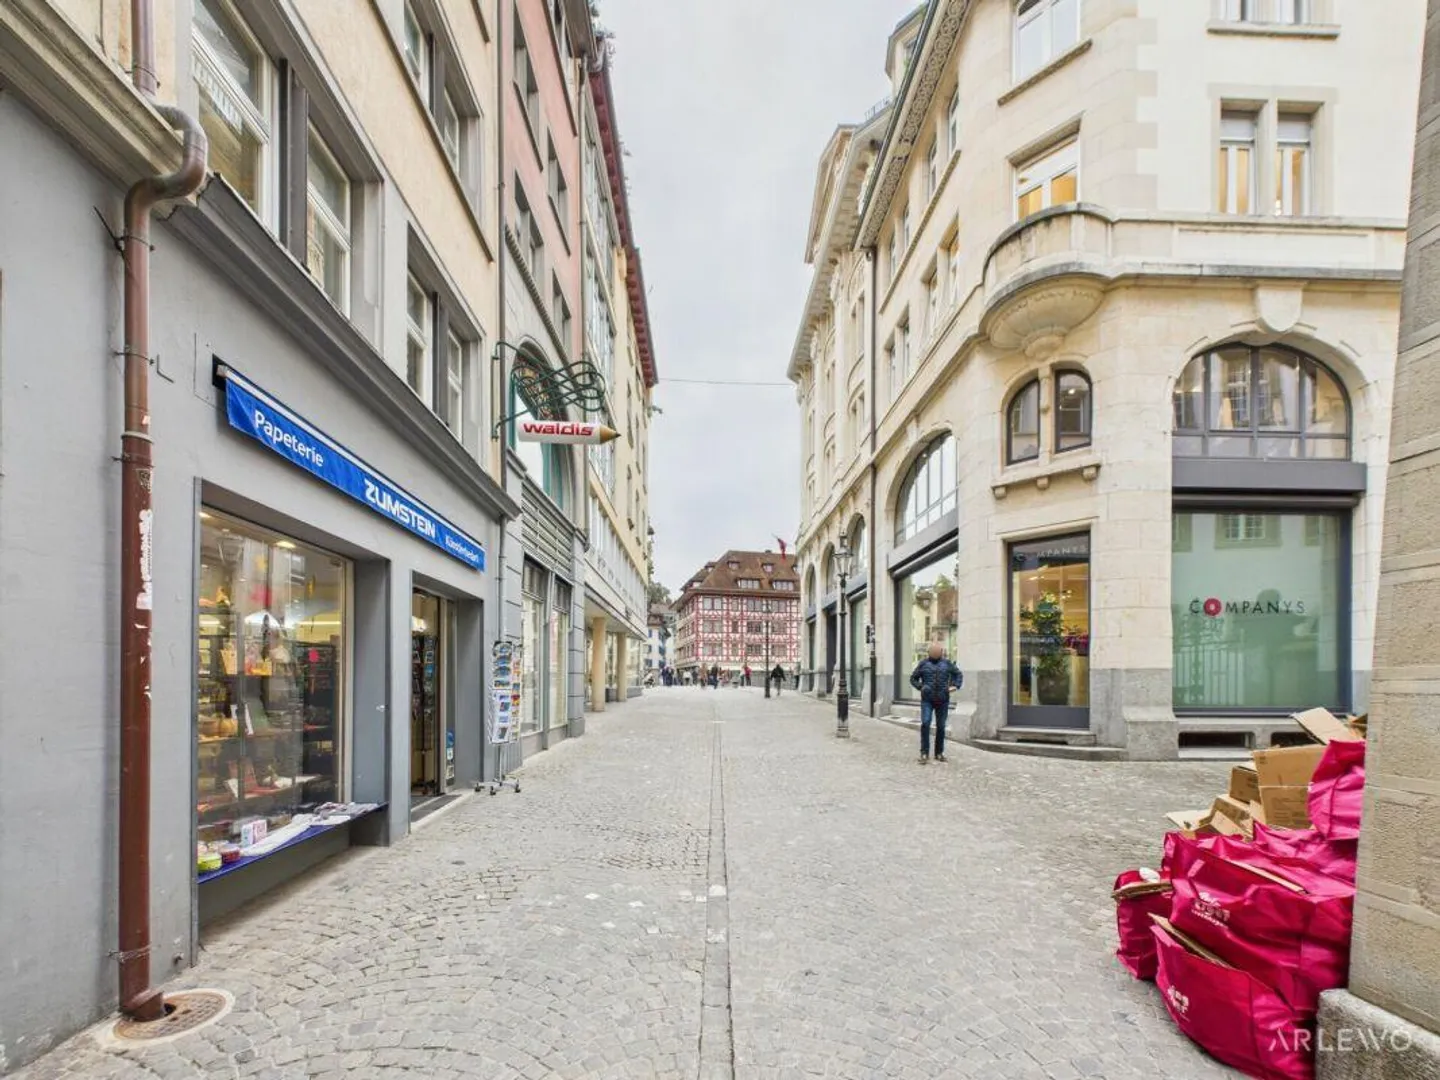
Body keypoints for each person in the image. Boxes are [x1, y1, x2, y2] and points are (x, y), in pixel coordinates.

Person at [909, 641, 963, 764]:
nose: (936, 653)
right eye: (934, 651)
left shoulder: (947, 663)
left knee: (941, 726)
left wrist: (955, 686)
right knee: (926, 723)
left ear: (941, 652)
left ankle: (939, 753)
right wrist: (921, 687)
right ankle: (924, 753)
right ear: (929, 652)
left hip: (943, 699)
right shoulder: (923, 664)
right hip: (927, 700)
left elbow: (958, 674)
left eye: (938, 651)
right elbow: (913, 678)